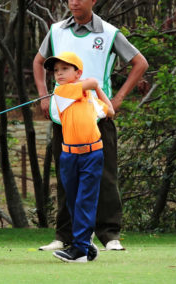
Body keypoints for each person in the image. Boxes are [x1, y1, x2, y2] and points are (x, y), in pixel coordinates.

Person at [33, 0, 148, 251]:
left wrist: (117, 99)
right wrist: (43, 94)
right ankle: (65, 235)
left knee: (105, 176)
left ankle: (109, 235)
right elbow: (38, 61)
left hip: (97, 117)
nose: (73, 2)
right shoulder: (56, 31)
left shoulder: (109, 33)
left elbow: (140, 63)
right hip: (63, 117)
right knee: (67, 178)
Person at [44, 51, 114, 262]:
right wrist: (91, 84)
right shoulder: (62, 92)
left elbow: (109, 110)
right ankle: (83, 243)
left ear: (77, 72)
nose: (59, 74)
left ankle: (81, 249)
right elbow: (90, 81)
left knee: (84, 200)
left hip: (92, 154)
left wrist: (98, 90)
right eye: (56, 70)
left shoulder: (90, 98)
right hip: (69, 156)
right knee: (74, 202)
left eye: (65, 69)